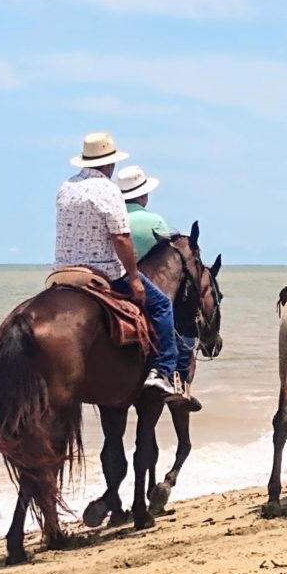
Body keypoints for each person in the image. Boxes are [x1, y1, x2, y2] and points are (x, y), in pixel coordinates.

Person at [54, 132, 182, 401]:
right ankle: (163, 371)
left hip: (63, 271)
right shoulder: (108, 190)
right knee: (161, 305)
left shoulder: (66, 187)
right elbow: (121, 239)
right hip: (103, 271)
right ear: (109, 163)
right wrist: (134, 278)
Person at [115, 164, 199, 408]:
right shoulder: (154, 221)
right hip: (140, 281)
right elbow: (169, 260)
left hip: (110, 279)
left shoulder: (117, 217)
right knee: (170, 315)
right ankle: (171, 373)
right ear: (143, 195)